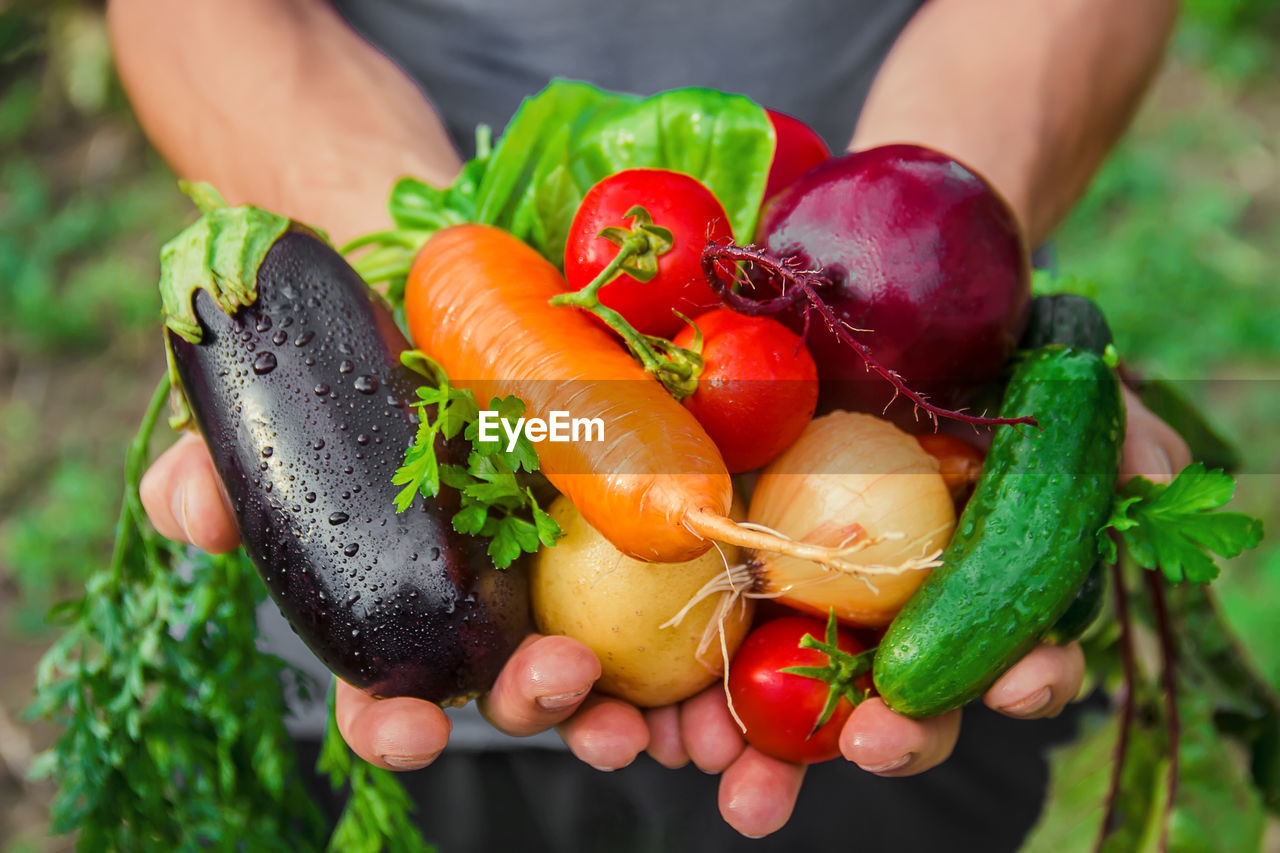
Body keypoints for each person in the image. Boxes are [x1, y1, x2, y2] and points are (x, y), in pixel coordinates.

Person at [107, 0, 1191, 847]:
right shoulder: (492, 429)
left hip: (900, 404)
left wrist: (931, 250)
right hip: (455, 548)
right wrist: (352, 329)